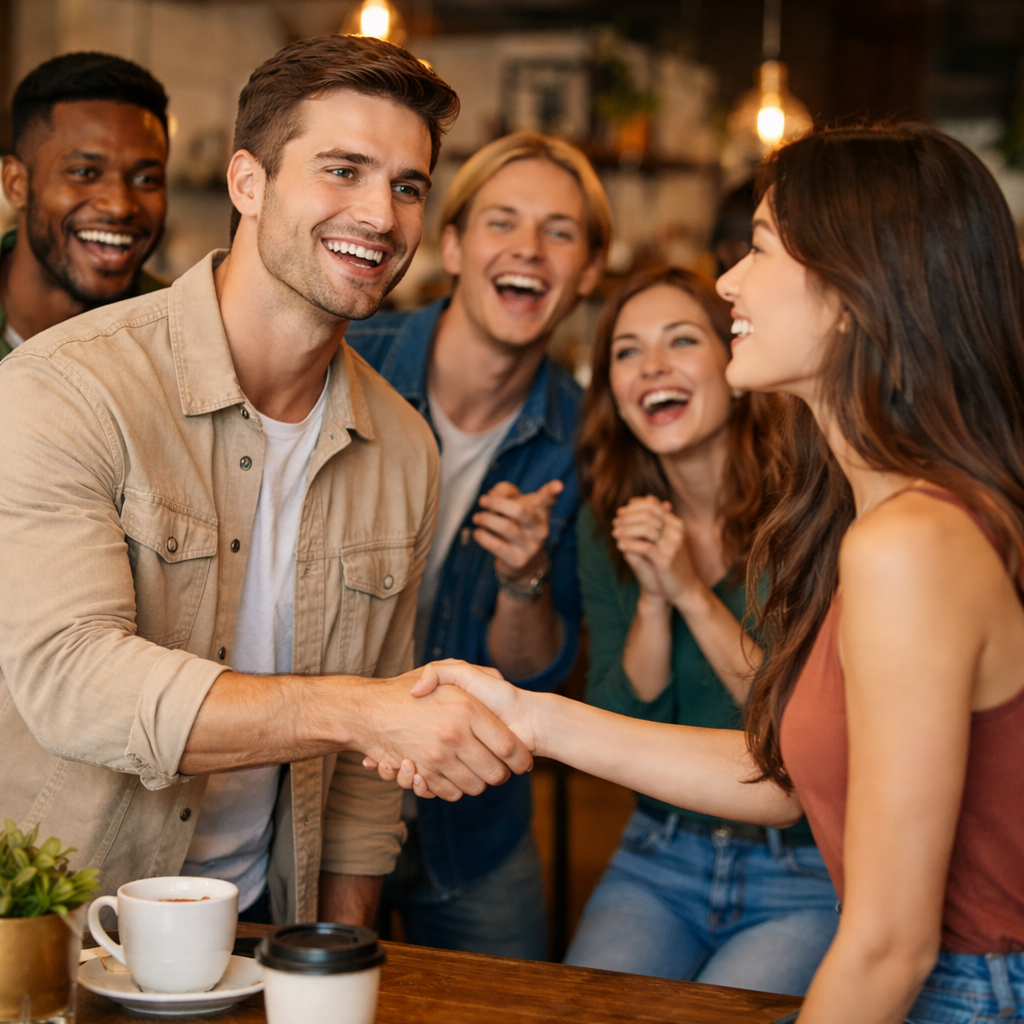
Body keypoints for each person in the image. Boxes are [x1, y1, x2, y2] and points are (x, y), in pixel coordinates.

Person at [376, 122, 1024, 1023]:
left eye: (756, 248)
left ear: (850, 290)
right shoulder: (886, 515)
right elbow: (778, 775)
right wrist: (527, 713)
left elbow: (889, 945)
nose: (726, 281)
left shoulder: (908, 543)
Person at [0, 34, 532, 931]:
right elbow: (75, 681)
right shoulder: (66, 387)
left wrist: (337, 959)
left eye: (408, 186)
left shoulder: (403, 445)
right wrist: (359, 713)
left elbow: (366, 790)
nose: (381, 214)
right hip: (64, 924)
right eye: (343, 170)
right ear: (248, 183)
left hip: (268, 922)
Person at [344, 131, 609, 958]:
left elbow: (537, 672)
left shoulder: (586, 439)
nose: (528, 249)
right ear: (452, 245)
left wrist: (524, 578)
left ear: (590, 272)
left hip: (471, 817)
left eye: (559, 232)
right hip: (316, 792)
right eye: (502, 221)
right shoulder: (352, 360)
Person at [565, 266, 837, 993]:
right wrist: (654, 596)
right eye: (626, 351)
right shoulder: (609, 523)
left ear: (735, 361)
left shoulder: (810, 510)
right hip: (659, 854)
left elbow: (793, 722)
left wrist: (689, 590)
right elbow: (621, 724)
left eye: (680, 341)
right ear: (614, 395)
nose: (652, 367)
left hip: (803, 865)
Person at [0, 52, 170, 358]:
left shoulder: (184, 334)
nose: (119, 206)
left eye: (145, 179)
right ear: (16, 184)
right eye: (84, 173)